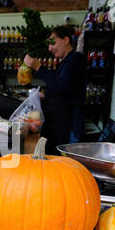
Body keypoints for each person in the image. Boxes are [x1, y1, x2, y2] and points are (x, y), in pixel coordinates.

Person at [24, 25, 87, 155]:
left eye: (52, 43)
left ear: (66, 40)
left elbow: (62, 86)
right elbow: (61, 88)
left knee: (65, 161)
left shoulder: (76, 59)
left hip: (69, 123)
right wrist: (44, 94)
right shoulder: (65, 62)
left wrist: (38, 67)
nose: (50, 48)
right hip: (59, 122)